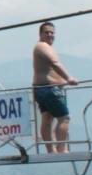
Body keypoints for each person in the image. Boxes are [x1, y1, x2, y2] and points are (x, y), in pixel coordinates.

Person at [32, 21, 75, 154]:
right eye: (47, 32)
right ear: (40, 34)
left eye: (52, 33)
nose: (50, 35)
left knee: (47, 118)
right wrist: (69, 78)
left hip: (41, 89)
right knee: (64, 118)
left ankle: (51, 149)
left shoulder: (42, 47)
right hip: (50, 90)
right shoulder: (42, 46)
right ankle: (61, 148)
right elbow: (54, 63)